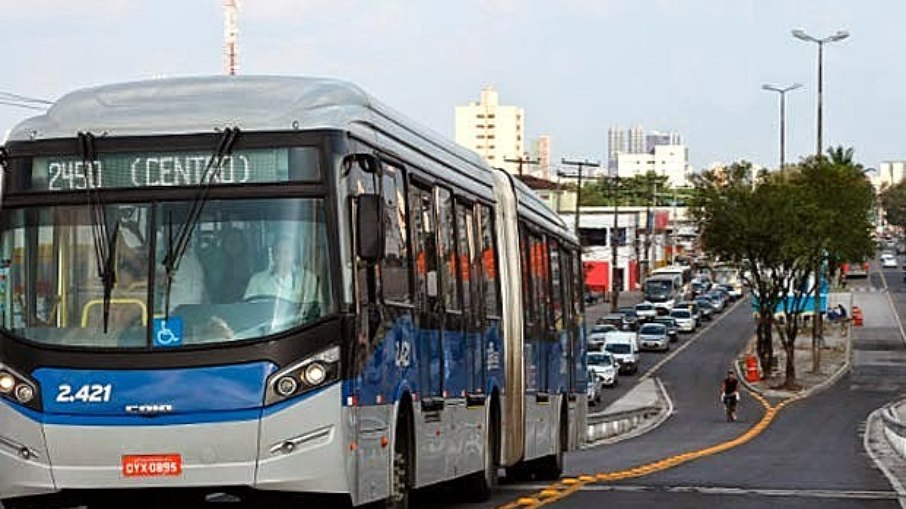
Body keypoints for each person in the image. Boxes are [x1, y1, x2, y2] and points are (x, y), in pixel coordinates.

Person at [244, 237, 322, 309]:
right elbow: (248, 309)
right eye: (278, 252)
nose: (281, 257)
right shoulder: (257, 281)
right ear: (273, 255)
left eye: (286, 253)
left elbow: (318, 309)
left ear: (294, 255)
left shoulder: (308, 280)